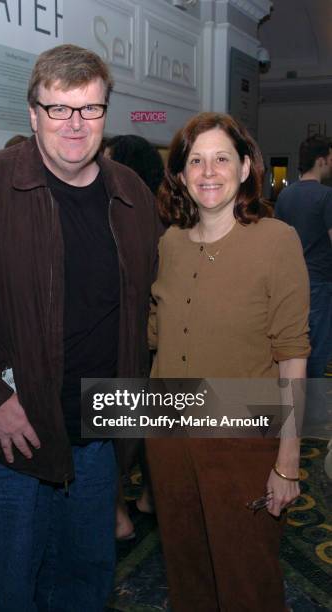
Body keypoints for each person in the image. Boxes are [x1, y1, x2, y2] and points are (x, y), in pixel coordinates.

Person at [0, 44, 160, 612]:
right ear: (32, 113)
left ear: (106, 113)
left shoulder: (131, 193)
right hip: (7, 438)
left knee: (84, 582)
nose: (75, 125)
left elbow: (147, 308)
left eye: (90, 109)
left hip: (98, 438)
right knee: (3, 586)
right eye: (59, 109)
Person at [146, 112, 310, 611]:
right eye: (195, 160)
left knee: (247, 578)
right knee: (186, 570)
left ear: (244, 169)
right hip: (169, 438)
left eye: (221, 158)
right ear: (179, 174)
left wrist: (287, 462)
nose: (208, 171)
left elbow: (293, 359)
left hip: (242, 441)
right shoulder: (169, 243)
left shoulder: (276, 241)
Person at [104, 134, 163, 540]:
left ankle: (119, 515)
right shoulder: (169, 219)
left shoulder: (125, 218)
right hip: (155, 347)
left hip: (127, 343)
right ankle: (150, 499)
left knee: (112, 433)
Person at [275, 135, 332, 379]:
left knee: (294, 348)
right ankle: (314, 413)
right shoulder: (327, 196)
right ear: (321, 160)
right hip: (319, 283)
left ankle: (296, 406)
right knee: (318, 349)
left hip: (290, 285)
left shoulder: (285, 195)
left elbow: (276, 241)